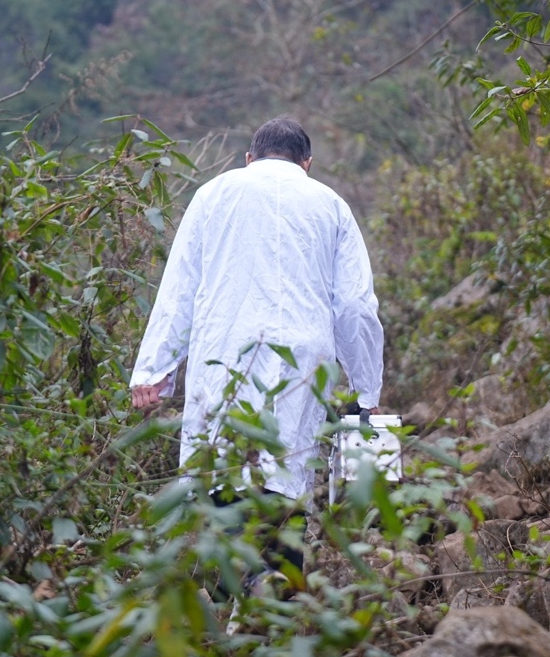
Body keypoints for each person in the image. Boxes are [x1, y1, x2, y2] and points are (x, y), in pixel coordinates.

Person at [129, 117, 384, 522]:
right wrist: (366, 389)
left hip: (224, 353)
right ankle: (279, 579)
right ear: (308, 164)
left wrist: (154, 371)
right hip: (303, 362)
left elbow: (180, 287)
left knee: (223, 473)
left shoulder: (212, 194)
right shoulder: (331, 204)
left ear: (249, 159)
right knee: (286, 477)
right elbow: (354, 305)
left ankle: (236, 576)